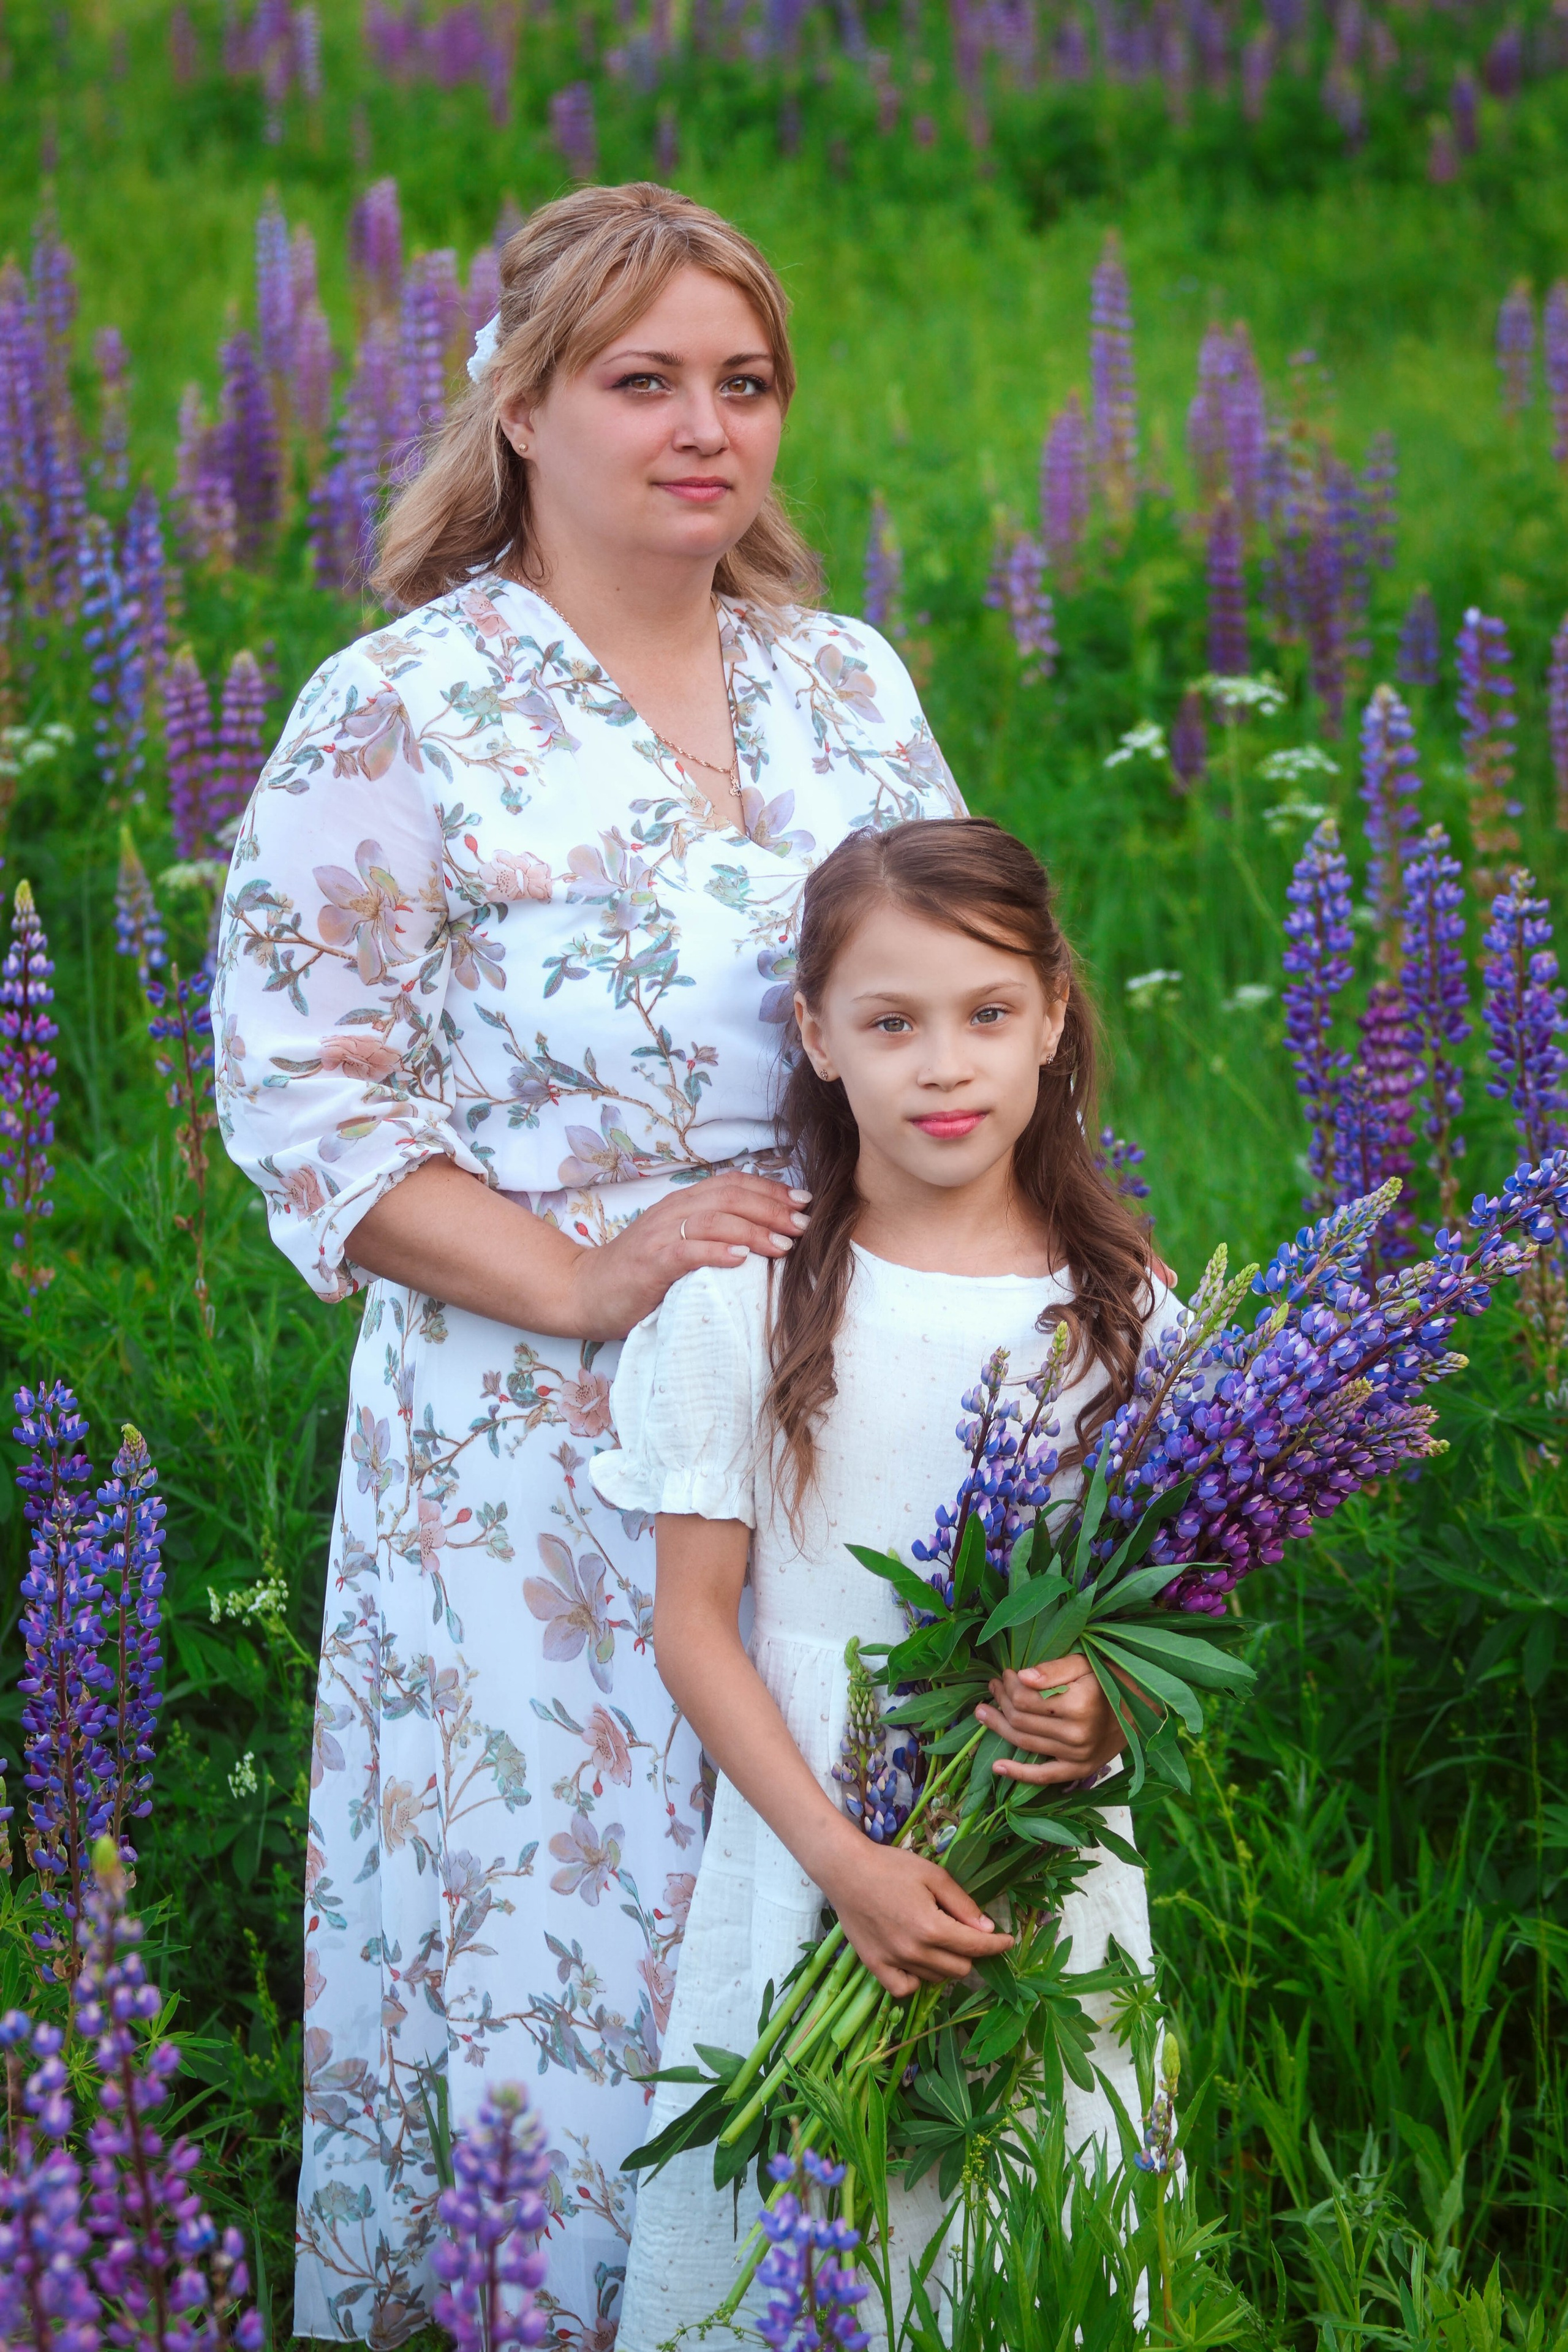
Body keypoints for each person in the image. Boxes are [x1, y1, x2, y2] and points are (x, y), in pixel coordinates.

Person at [211, 183, 961, 2350]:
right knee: (566, 1944)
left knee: (815, 1918)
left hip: (825, 1409)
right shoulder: (405, 708)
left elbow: (956, 1001)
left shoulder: (843, 683)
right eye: (644, 382)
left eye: (744, 383)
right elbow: (305, 1096)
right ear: (523, 408)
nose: (704, 427)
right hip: (527, 1455)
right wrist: (584, 1275)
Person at [593, 816, 1169, 2350]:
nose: (942, 1066)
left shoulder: (1125, 1311)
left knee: (1027, 2233)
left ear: (1054, 1015)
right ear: (814, 1038)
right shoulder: (746, 1300)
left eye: (986, 1015)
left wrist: (1100, 1712)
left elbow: (1171, 1611)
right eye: (890, 1023)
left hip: (1036, 1854)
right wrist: (841, 1861)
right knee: (804, 2218)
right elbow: (689, 1625)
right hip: (812, 1842)